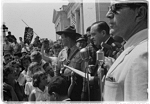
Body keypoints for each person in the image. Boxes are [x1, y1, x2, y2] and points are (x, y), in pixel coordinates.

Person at [103, 0, 148, 101]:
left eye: (116, 8)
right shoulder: (135, 49)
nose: (108, 14)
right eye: (109, 8)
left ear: (140, 13)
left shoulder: (143, 54)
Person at [56, 26, 84, 101]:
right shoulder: (62, 52)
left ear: (67, 38)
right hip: (63, 86)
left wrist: (84, 92)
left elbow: (85, 75)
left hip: (76, 87)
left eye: (62, 37)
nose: (61, 40)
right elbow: (57, 69)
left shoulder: (81, 53)